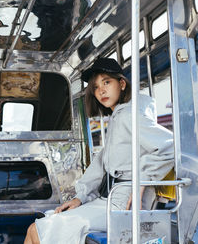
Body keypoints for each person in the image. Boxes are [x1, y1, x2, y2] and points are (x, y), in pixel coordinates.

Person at [24, 58, 174, 244]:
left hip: (122, 204)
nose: (101, 90)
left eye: (107, 82)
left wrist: (142, 181)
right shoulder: (118, 117)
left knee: (38, 231)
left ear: (121, 83)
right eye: (95, 87)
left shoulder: (129, 115)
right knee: (38, 228)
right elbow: (100, 164)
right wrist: (80, 197)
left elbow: (169, 146)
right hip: (109, 198)